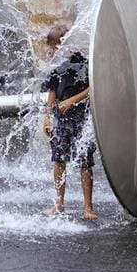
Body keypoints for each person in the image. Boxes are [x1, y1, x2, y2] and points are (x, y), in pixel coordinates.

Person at [41, 33, 97, 221]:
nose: (52, 51)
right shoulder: (55, 66)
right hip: (61, 120)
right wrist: (47, 117)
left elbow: (94, 88)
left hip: (81, 118)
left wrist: (71, 101)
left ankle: (88, 207)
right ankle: (59, 204)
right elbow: (52, 92)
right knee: (58, 161)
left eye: (54, 46)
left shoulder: (82, 62)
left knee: (85, 162)